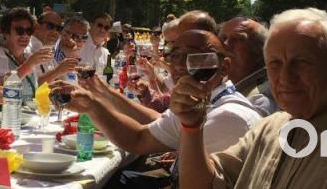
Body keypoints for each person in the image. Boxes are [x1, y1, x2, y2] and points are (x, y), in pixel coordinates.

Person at [172, 8, 327, 189]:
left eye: (301, 62)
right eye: (275, 63)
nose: (285, 77)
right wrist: (192, 128)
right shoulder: (270, 129)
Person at [57, 29, 262, 157]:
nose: (181, 65)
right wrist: (99, 97)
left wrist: (94, 105)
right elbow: (148, 129)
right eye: (175, 56)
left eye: (195, 56)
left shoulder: (227, 117)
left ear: (224, 67)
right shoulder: (200, 101)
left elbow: (139, 139)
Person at [0, 8, 49, 103]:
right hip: (5, 115)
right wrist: (28, 65)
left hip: (28, 115)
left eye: (29, 31)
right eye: (19, 30)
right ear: (6, 33)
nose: (25, 35)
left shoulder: (28, 55)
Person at [218, 16, 277, 115]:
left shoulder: (258, 102)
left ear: (260, 51)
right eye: (223, 38)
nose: (226, 44)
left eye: (238, 39)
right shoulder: (219, 85)